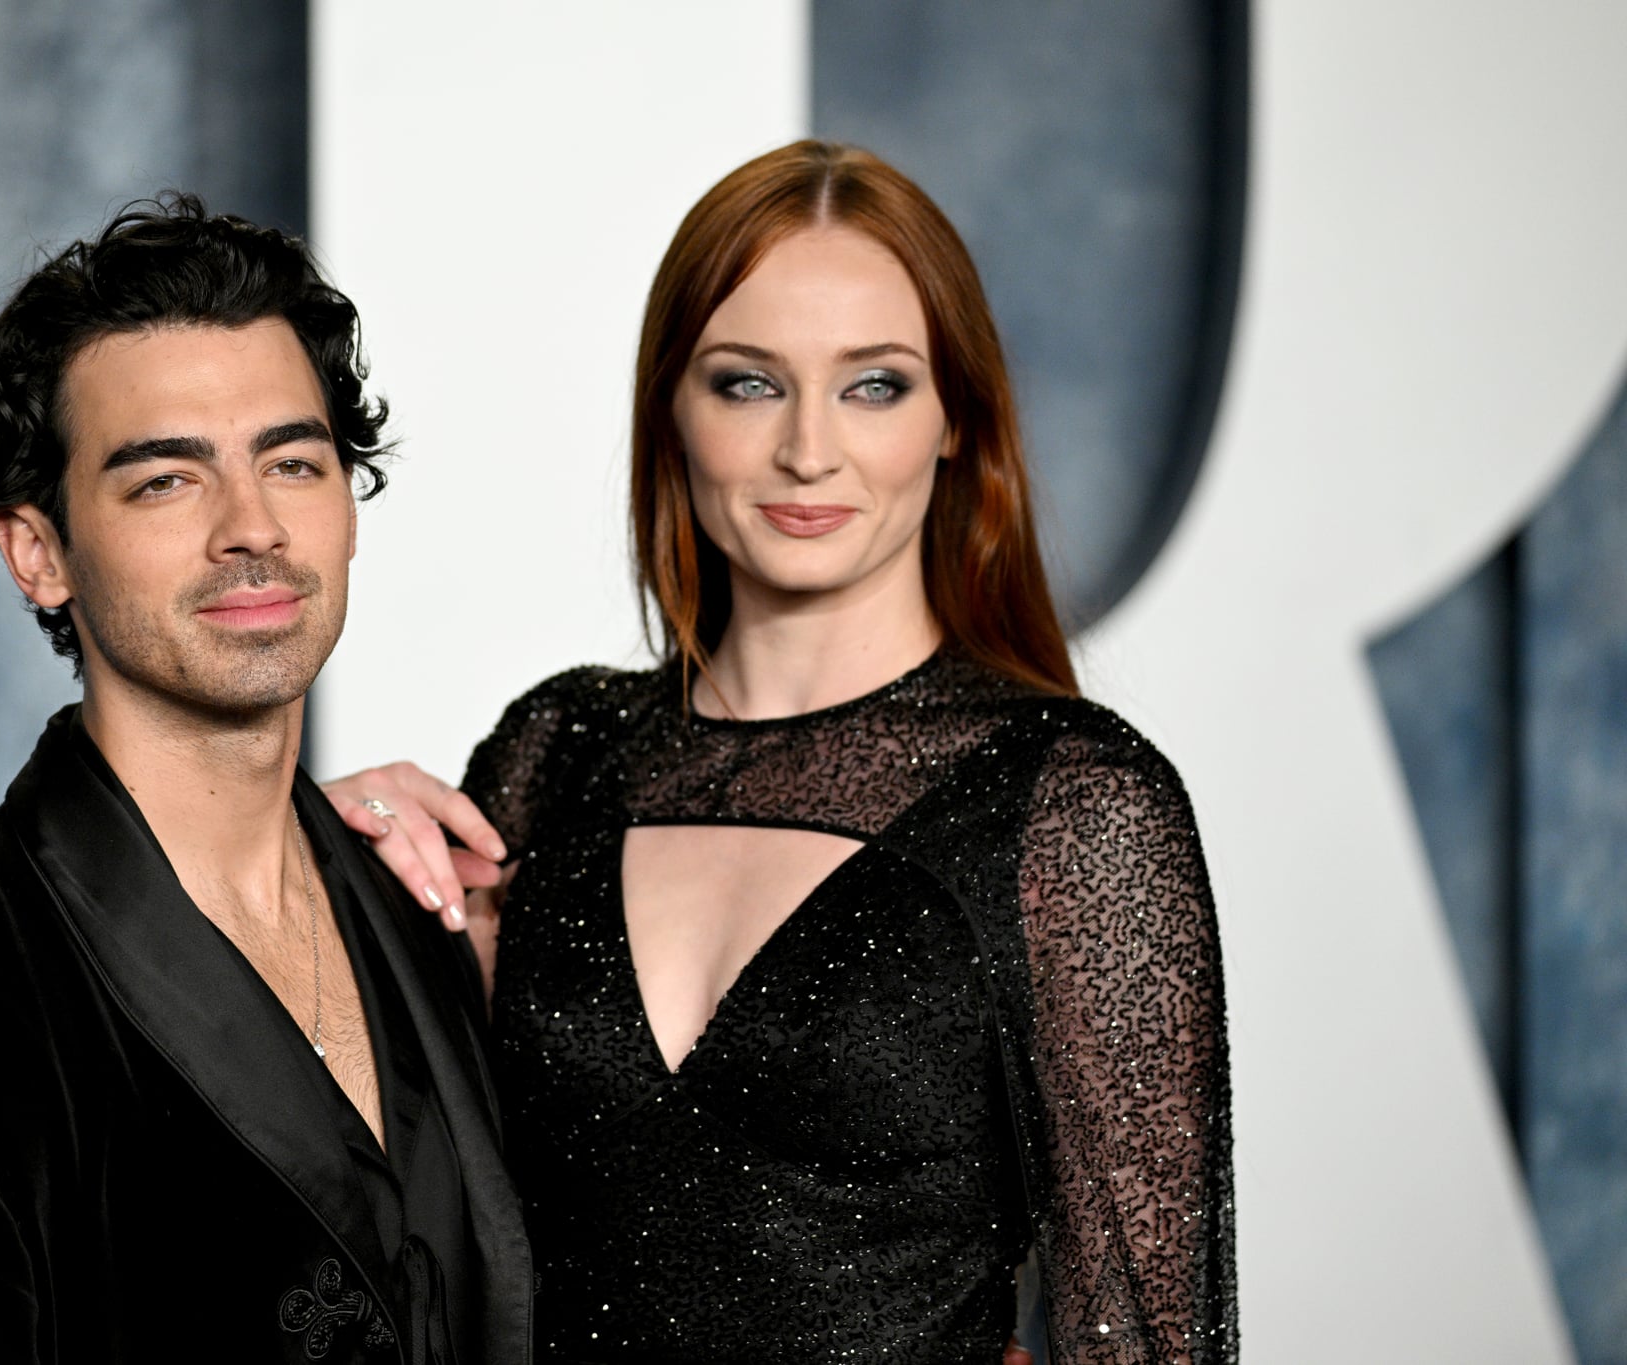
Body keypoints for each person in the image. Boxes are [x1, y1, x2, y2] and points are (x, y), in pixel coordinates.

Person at [326, 141, 1236, 1363]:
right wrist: (296, 873)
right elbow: (398, 1229)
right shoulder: (557, 753)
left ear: (955, 419)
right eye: (748, 383)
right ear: (673, 411)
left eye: (873, 386)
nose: (809, 449)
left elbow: (1152, 1337)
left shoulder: (1068, 802)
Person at [0, 195, 531, 1365]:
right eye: (166, 480)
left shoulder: (418, 920)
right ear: (39, 552)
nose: (250, 526)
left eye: (293, 462)